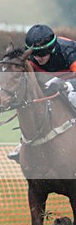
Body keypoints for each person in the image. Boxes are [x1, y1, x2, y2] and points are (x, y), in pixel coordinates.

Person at [7, 24, 76, 161]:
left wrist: (66, 86)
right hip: (59, 78)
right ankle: (25, 143)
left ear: (52, 48)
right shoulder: (31, 59)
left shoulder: (69, 51)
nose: (38, 58)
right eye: (34, 54)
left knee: (72, 96)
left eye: (42, 54)